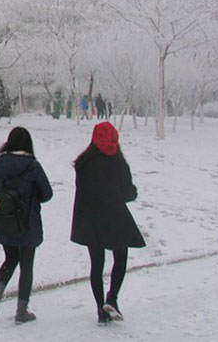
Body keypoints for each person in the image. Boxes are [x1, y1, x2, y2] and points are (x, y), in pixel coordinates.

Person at [70, 122, 145, 325]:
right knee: (120, 258)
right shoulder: (119, 163)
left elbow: (83, 192)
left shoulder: (83, 163)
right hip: (115, 218)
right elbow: (128, 193)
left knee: (97, 264)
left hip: (91, 219)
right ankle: (112, 299)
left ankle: (100, 310)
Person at [0, 127, 53, 323]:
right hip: (27, 223)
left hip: (5, 221)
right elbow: (47, 194)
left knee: (9, 259)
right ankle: (22, 312)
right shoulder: (32, 165)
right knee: (27, 265)